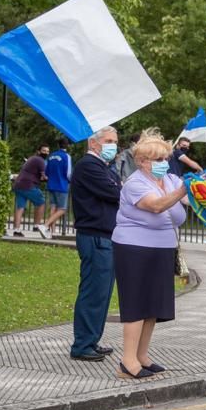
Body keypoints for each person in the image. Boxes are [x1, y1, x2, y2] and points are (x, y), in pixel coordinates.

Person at [112, 128, 187, 379]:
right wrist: (181, 191)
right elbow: (155, 206)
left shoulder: (170, 180)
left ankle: (142, 356)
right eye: (157, 160)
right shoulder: (135, 183)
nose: (163, 164)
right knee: (136, 304)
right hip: (134, 248)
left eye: (165, 159)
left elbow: (188, 203)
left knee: (153, 305)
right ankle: (127, 361)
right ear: (142, 162)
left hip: (162, 247)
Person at [69, 126, 120, 362]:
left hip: (105, 236)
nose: (113, 145)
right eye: (109, 140)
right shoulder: (88, 166)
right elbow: (116, 193)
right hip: (95, 236)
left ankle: (91, 339)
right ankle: (82, 344)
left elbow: (117, 189)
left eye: (115, 141)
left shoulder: (103, 167)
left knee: (102, 292)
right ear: (93, 143)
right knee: (93, 291)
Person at [11, 144, 51, 239]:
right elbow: (44, 176)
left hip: (18, 184)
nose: (45, 153)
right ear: (38, 151)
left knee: (20, 207)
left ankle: (16, 230)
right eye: (44, 151)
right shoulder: (40, 160)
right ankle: (36, 225)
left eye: (47, 151)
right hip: (28, 185)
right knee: (41, 202)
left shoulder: (31, 158)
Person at [43, 138, 72, 234]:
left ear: (58, 145)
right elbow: (68, 173)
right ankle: (45, 226)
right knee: (62, 209)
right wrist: (70, 181)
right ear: (67, 146)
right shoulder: (66, 156)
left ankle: (52, 232)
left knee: (53, 207)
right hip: (62, 185)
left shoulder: (51, 156)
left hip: (51, 185)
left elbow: (46, 171)